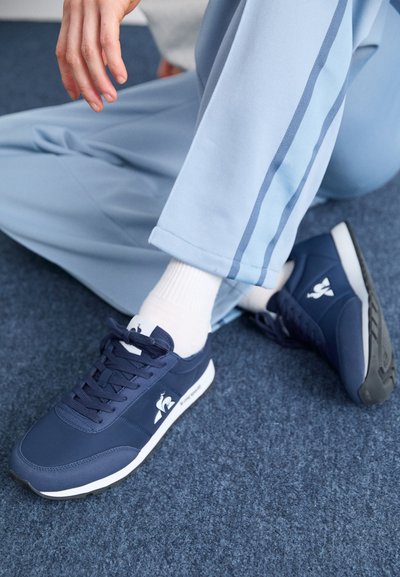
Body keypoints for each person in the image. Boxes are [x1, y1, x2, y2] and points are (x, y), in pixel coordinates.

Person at [3, 0, 400, 499]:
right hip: (237, 95)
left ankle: (176, 327)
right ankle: (278, 280)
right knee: (10, 156)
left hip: (364, 86)